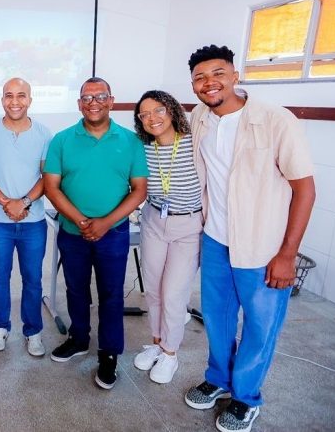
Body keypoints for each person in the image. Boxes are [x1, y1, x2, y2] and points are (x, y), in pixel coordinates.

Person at [182, 45, 315, 432]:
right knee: (217, 319)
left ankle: (245, 397)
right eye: (200, 78)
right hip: (216, 239)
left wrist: (287, 254)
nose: (209, 83)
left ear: (235, 76)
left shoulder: (275, 120)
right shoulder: (200, 118)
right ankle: (219, 379)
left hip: (262, 246)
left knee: (260, 325)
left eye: (218, 74)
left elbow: (305, 190)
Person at [43, 77, 148, 390]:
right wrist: (81, 221)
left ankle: (109, 353)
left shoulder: (131, 141)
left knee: (111, 294)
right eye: (87, 98)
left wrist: (105, 222)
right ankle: (78, 339)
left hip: (113, 233)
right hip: (72, 232)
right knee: (75, 289)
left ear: (111, 101)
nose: (93, 103)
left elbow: (139, 190)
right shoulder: (62, 140)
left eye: (100, 96)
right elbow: (51, 187)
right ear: (79, 104)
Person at [0, 77, 52, 357]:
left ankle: (33, 331)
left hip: (33, 223)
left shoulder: (44, 134)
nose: (15, 101)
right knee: (0, 275)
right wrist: (6, 203)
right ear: (2, 100)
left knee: (33, 278)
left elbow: (47, 176)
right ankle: (0, 327)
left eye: (21, 95)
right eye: (9, 95)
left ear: (30, 100)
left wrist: (24, 202)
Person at [131, 90, 202, 384]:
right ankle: (157, 343)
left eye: (158, 110)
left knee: (174, 293)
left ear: (171, 110)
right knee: (153, 289)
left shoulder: (194, 142)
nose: (152, 118)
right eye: (144, 114)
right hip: (153, 220)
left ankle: (171, 353)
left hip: (189, 224)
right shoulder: (142, 148)